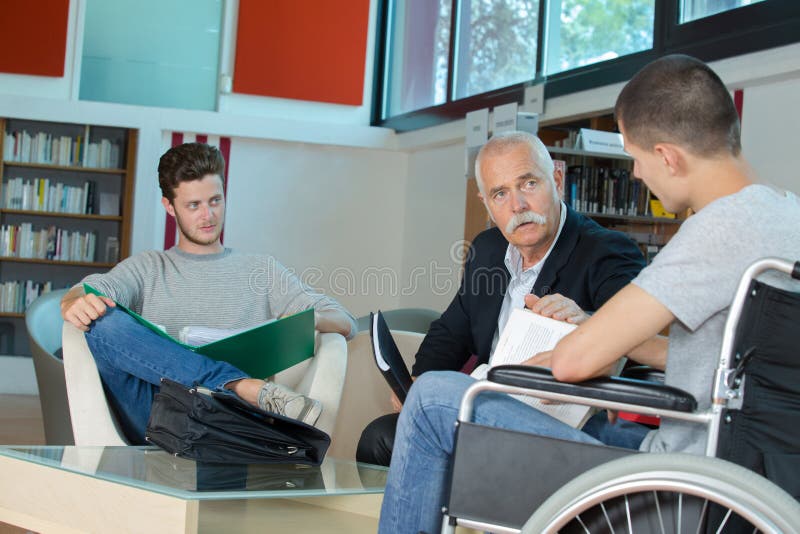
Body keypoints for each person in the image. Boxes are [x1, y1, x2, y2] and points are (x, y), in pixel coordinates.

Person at [377, 54, 800, 533]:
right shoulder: (787, 221)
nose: (637, 175)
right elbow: (727, 360)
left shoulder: (715, 232)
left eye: (636, 159)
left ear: (667, 157)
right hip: (757, 481)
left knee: (434, 396)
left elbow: (572, 365)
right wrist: (595, 327)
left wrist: (563, 346)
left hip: (681, 485)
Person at [357, 130, 646, 466]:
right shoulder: (487, 249)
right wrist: (419, 381)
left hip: (554, 419)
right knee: (382, 436)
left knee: (387, 437)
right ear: (486, 204)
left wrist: (589, 323)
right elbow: (452, 330)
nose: (518, 206)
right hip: (488, 405)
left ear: (556, 179)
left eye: (528, 184)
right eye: (500, 194)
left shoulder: (607, 251)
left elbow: (636, 344)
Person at [60, 142, 357, 444]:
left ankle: (237, 391)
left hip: (232, 421)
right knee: (102, 322)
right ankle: (241, 385)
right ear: (169, 206)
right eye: (194, 205)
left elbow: (345, 321)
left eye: (215, 201)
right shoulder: (148, 267)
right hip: (157, 420)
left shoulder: (261, 270)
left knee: (104, 322)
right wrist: (74, 300)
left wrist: (305, 320)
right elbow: (94, 289)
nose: (208, 215)